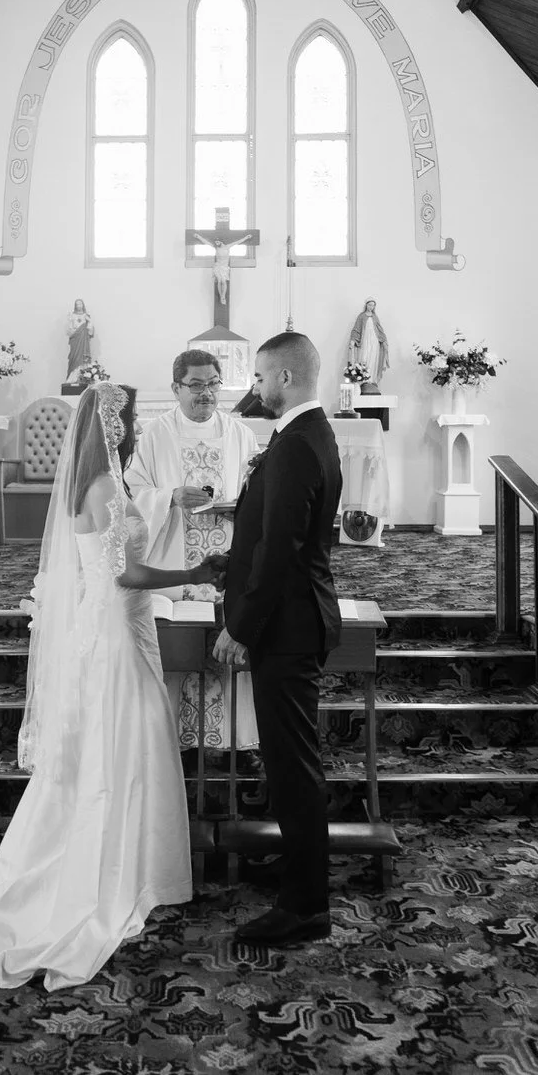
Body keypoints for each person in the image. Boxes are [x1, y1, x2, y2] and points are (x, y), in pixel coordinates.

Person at [0, 382, 223, 989]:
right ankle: (111, 875)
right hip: (118, 630)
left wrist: (180, 589)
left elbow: (115, 569)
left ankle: (143, 866)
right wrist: (193, 572)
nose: (123, 429)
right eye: (116, 419)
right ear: (99, 428)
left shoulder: (105, 484)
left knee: (132, 740)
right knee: (127, 740)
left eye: (127, 418)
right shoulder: (100, 486)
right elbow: (125, 574)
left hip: (124, 622)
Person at [213, 332, 342, 946]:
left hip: (288, 626)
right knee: (288, 761)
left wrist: (241, 626)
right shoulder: (307, 434)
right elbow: (270, 536)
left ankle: (306, 905)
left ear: (284, 378)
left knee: (294, 767)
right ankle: (295, 867)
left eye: (261, 378)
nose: (254, 389)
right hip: (292, 619)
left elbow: (282, 549)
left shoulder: (294, 444)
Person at [125, 350, 264, 749]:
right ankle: (176, 742)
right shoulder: (155, 434)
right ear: (176, 388)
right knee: (180, 650)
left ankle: (232, 741)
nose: (206, 393)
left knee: (229, 641)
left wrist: (241, 507)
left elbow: (256, 494)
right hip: (176, 560)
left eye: (213, 384)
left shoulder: (240, 434)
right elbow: (133, 492)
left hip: (226, 558)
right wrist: (167, 497)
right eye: (196, 385)